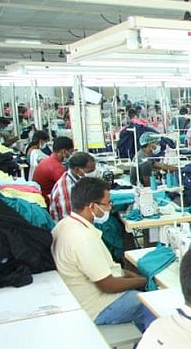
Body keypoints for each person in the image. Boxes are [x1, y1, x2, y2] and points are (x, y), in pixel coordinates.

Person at [52, 177, 148, 331]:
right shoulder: (83, 239)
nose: (110, 207)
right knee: (155, 308)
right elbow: (108, 285)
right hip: (98, 306)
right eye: (107, 203)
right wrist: (144, 281)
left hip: (83, 295)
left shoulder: (64, 225)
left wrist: (131, 276)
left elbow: (106, 270)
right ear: (91, 206)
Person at [49, 152, 96, 221]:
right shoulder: (66, 190)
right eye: (90, 171)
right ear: (77, 169)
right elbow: (69, 220)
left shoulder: (76, 178)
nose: (93, 173)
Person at [33, 136, 75, 204]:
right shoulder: (56, 168)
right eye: (71, 152)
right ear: (64, 151)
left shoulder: (48, 161)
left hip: (41, 198)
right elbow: (68, 188)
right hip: (48, 201)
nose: (71, 154)